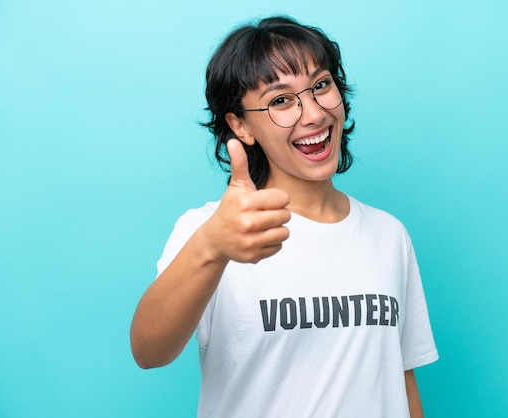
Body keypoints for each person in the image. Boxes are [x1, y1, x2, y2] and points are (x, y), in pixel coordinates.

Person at [130, 15, 438, 418]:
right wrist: (212, 246)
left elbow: (399, 380)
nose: (312, 114)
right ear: (240, 125)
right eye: (280, 100)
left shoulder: (388, 234)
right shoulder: (210, 232)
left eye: (321, 85)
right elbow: (148, 351)